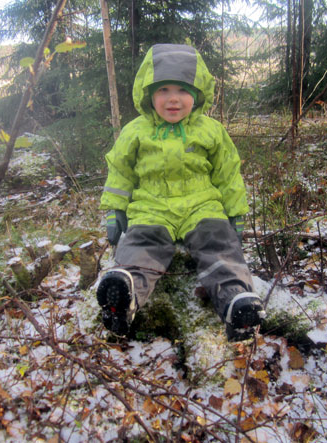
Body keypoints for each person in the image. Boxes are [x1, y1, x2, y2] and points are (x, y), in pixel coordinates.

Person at [96, 43, 264, 341]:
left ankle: (235, 301)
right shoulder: (135, 130)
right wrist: (115, 208)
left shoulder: (210, 130)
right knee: (141, 243)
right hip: (151, 207)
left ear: (197, 94)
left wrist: (235, 212)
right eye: (163, 90)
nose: (173, 99)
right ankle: (124, 294)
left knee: (218, 243)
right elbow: (120, 170)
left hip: (202, 206)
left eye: (182, 90)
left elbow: (227, 172)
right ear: (148, 94)